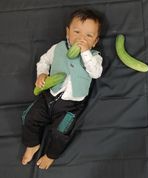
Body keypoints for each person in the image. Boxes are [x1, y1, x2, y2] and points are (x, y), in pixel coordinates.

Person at [21, 8, 103, 170]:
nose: (81, 38)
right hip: (49, 97)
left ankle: (52, 155)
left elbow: (96, 73)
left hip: (71, 107)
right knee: (28, 117)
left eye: (88, 36)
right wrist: (42, 74)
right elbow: (43, 61)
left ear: (95, 41)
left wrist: (86, 52)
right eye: (77, 32)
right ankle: (32, 144)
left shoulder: (94, 56)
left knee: (60, 132)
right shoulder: (58, 48)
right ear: (67, 33)